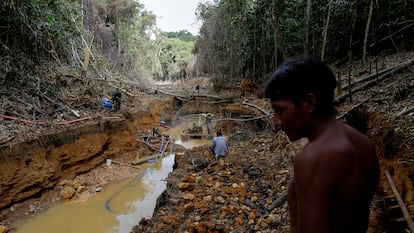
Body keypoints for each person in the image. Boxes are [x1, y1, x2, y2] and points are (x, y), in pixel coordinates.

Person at [264, 56, 380, 233]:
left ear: (309, 103)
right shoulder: (364, 146)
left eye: (280, 110)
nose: (277, 123)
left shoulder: (314, 157)